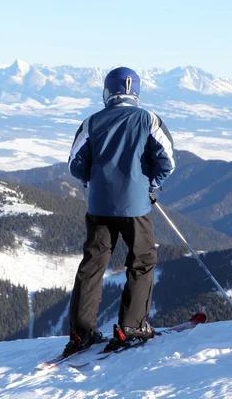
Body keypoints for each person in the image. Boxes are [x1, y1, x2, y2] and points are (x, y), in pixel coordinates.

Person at [64, 66, 175, 356]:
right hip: (136, 206)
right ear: (135, 92)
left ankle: (81, 330)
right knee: (141, 261)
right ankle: (133, 326)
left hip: (99, 205)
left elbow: (75, 163)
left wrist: (93, 181)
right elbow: (168, 161)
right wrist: (150, 184)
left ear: (107, 91)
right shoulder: (148, 120)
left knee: (92, 264)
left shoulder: (92, 122)